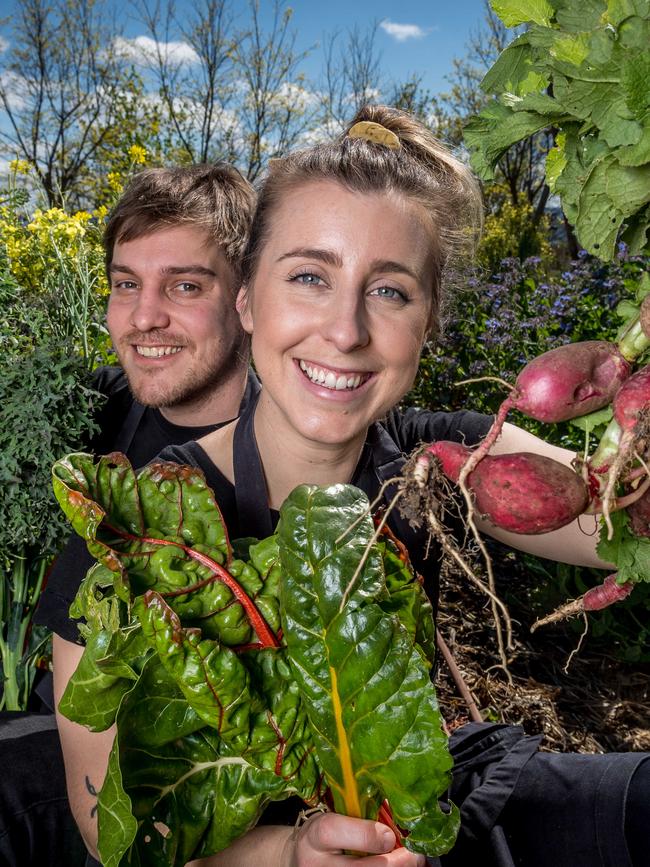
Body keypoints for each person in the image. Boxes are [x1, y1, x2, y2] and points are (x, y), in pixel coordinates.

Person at [48, 107, 648, 867]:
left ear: (428, 324)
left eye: (391, 292)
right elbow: (113, 825)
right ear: (246, 302)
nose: (345, 330)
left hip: (417, 816)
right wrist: (290, 852)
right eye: (309, 276)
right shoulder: (131, 527)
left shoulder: (449, 463)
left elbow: (617, 521)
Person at [0, 163, 259, 867]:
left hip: (184, 794)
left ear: (247, 299)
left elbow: (456, 441)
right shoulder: (98, 407)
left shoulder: (295, 443)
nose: (143, 317)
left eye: (184, 285)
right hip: (57, 737)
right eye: (124, 283)